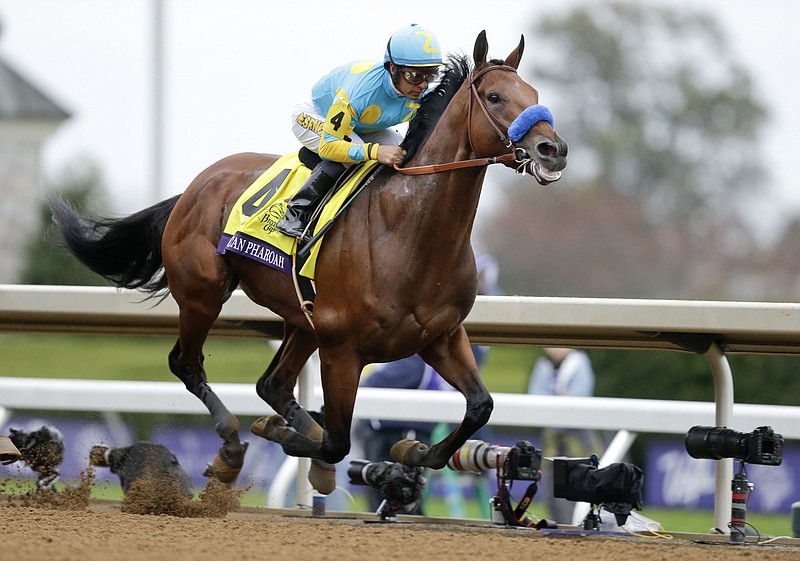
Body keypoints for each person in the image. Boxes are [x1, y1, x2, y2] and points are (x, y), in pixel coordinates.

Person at [277, 23, 443, 239]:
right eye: (414, 76)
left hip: (359, 126)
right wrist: (374, 152)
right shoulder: (359, 93)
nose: (422, 86)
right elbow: (329, 145)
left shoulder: (422, 92)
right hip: (315, 116)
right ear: (392, 68)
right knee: (354, 154)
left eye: (430, 75)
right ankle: (296, 213)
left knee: (400, 152)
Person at [528, 348, 604, 524]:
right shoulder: (543, 366)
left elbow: (578, 399)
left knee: (580, 478)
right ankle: (559, 524)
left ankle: (582, 523)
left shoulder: (579, 362)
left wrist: (552, 407)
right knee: (549, 481)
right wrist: (559, 399)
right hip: (552, 436)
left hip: (578, 435)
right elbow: (535, 397)